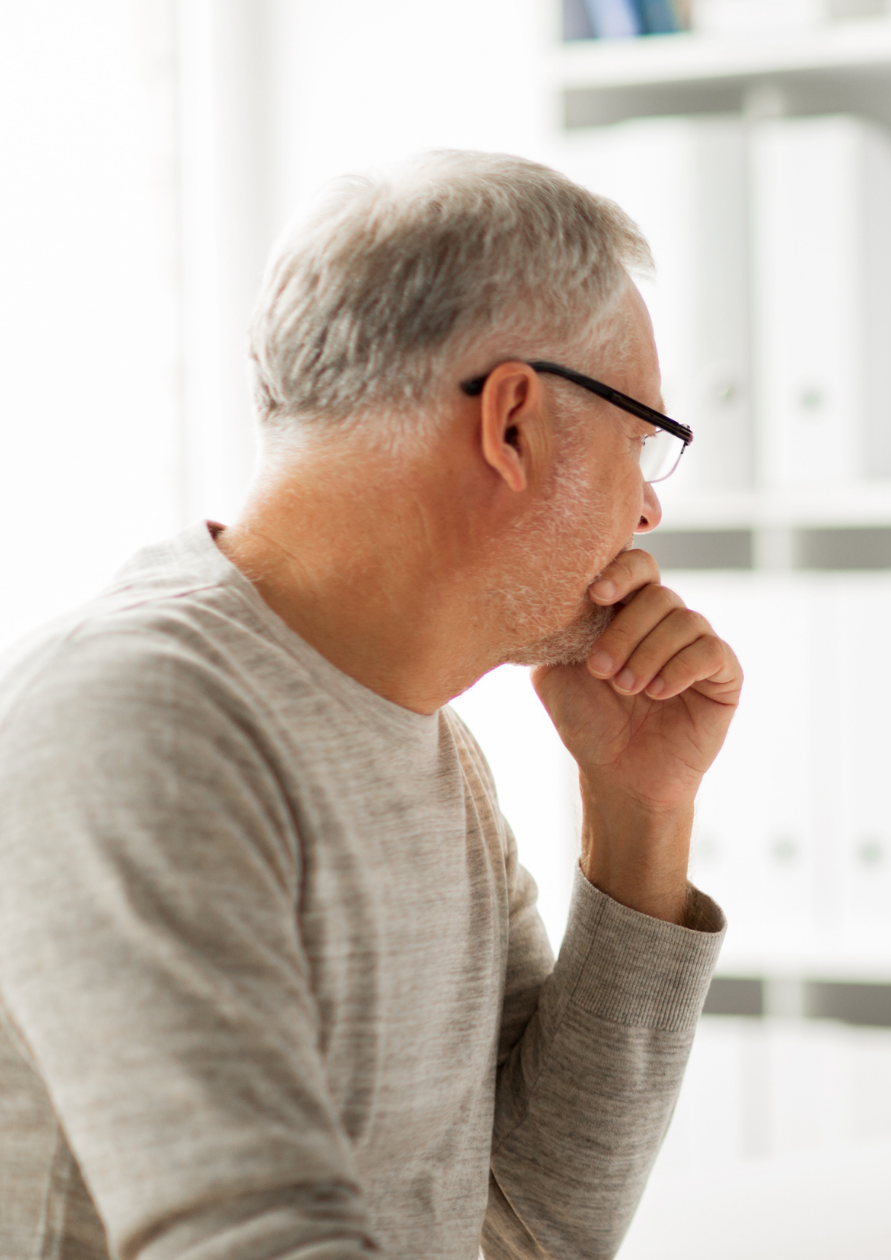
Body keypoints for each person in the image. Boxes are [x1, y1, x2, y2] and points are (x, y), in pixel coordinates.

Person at [0, 152, 741, 1256]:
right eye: (644, 440)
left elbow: (531, 1223)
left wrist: (639, 812)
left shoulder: (427, 748)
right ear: (512, 423)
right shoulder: (136, 722)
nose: (645, 508)